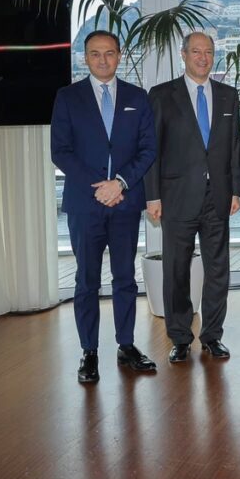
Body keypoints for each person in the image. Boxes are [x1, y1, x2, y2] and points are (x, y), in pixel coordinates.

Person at [51, 30, 157, 383]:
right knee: (86, 281)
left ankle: (126, 346)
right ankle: (89, 352)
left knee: (125, 279)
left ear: (119, 54)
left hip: (125, 203)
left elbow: (148, 149)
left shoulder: (137, 98)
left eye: (109, 53)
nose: (102, 60)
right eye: (95, 54)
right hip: (86, 203)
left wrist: (120, 184)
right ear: (85, 57)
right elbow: (60, 151)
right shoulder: (68, 98)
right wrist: (98, 188)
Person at [145, 32, 240, 363]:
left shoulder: (229, 96)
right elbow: (151, 151)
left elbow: (234, 149)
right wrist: (152, 196)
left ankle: (213, 336)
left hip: (218, 198)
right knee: (176, 270)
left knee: (218, 270)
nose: (203, 57)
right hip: (176, 197)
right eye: (196, 51)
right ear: (183, 55)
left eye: (209, 52)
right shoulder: (161, 95)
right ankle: (181, 337)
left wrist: (237, 189)